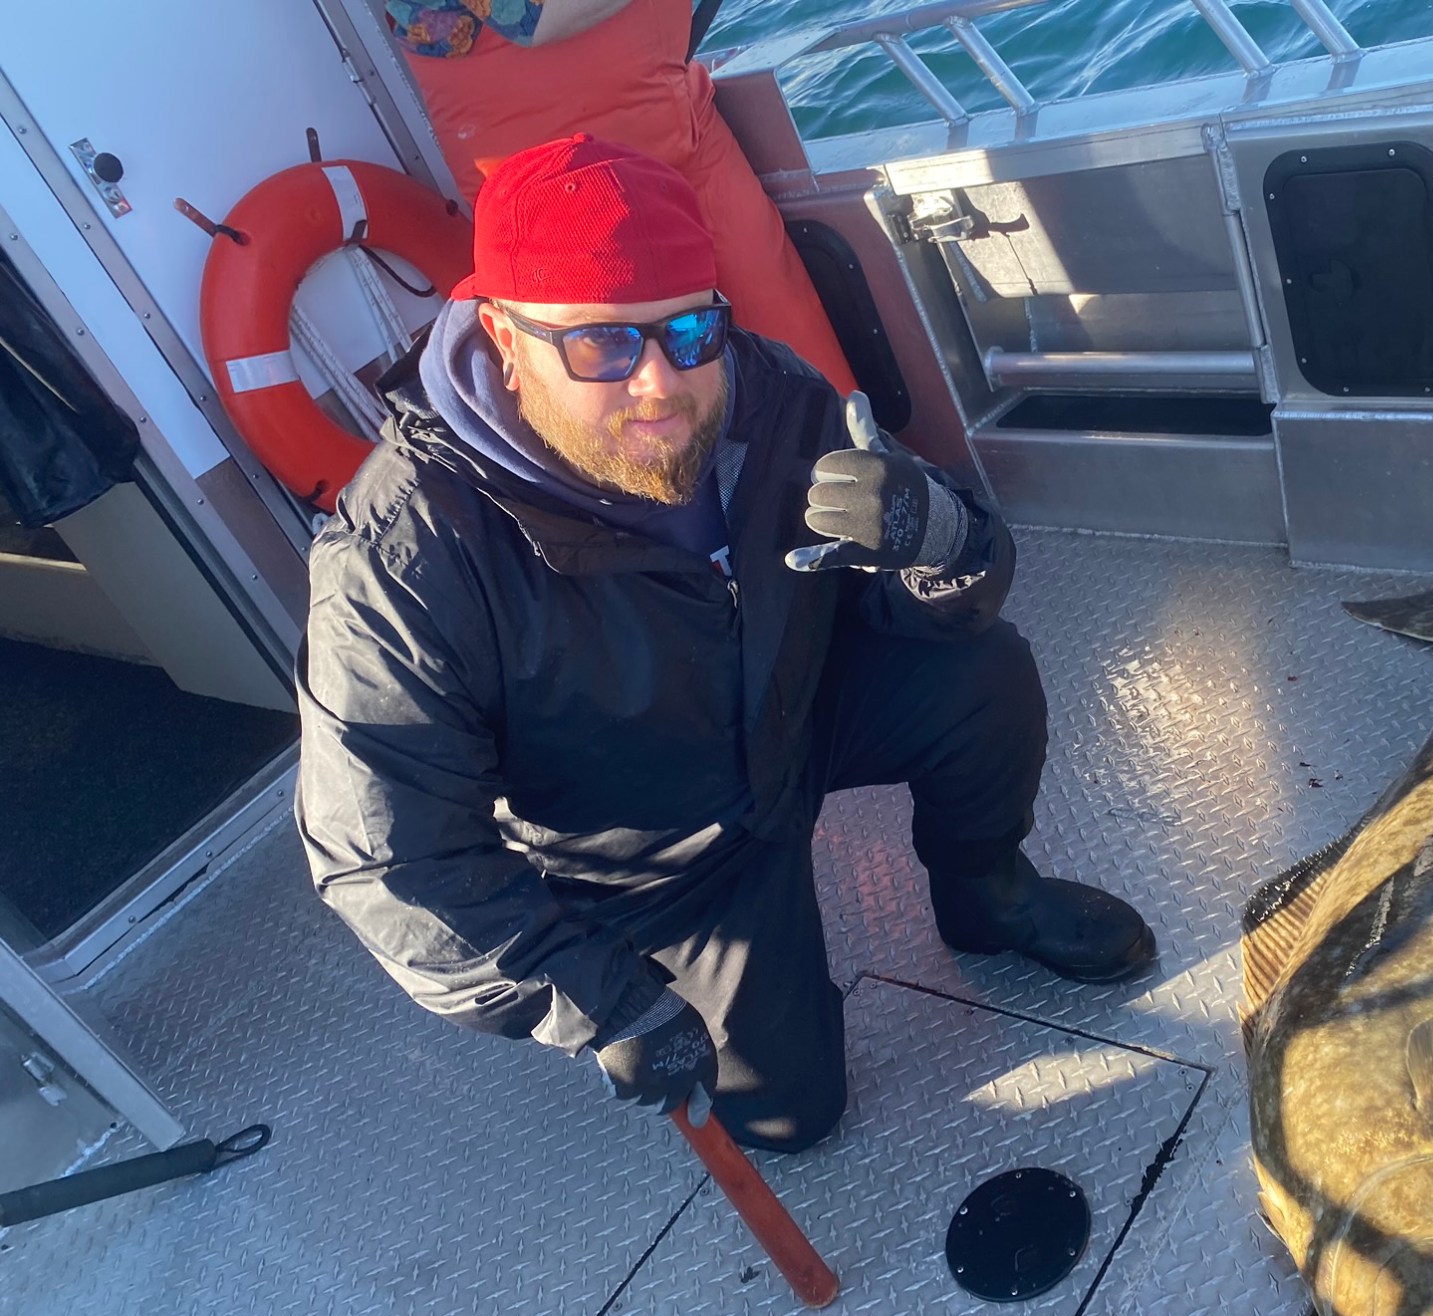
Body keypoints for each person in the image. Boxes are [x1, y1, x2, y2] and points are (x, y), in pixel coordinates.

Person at [296, 135, 1156, 1152]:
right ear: (504, 336)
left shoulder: (772, 392)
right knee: (792, 1116)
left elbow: (936, 591)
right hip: (658, 854)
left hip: (791, 715)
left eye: (689, 329)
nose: (658, 384)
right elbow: (386, 860)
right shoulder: (400, 559)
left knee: (982, 671)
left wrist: (945, 538)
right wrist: (598, 1002)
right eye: (602, 345)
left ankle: (986, 889)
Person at [385, 0, 859, 395]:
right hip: (554, 190)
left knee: (784, 321)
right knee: (627, 377)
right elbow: (533, 18)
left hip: (679, 127)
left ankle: (848, 452)